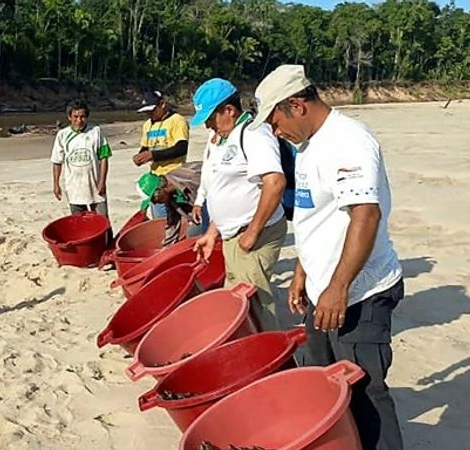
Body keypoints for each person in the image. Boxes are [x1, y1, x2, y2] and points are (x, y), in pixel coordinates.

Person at [252, 65, 404, 449]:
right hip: (323, 293)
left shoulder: (347, 141)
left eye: (275, 120)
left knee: (365, 391)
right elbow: (313, 216)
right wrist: (303, 273)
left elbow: (365, 215)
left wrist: (338, 287)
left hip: (360, 295)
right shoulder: (306, 147)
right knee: (323, 381)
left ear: (296, 105)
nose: (274, 131)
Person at [190, 78, 288, 332]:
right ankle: (245, 343)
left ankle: (271, 355)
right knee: (236, 295)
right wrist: (213, 231)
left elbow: (275, 183)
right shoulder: (223, 138)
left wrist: (253, 232)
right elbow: (224, 188)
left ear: (230, 111)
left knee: (255, 302)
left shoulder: (254, 134)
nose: (209, 125)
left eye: (211, 118)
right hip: (233, 234)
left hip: (255, 234)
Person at [133, 90, 190, 218]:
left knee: (174, 217)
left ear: (162, 104)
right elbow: (146, 147)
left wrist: (153, 155)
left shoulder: (177, 120)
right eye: (146, 112)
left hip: (174, 177)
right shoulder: (148, 125)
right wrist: (140, 156)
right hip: (155, 178)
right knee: (160, 217)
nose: (149, 114)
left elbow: (181, 148)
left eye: (152, 110)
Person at [51, 100, 112, 218]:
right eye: (75, 117)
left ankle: (107, 238)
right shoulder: (62, 135)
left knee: (102, 220)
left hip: (95, 186)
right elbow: (57, 161)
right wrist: (56, 184)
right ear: (69, 117)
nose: (79, 120)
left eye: (82, 117)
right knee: (79, 221)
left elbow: (104, 157)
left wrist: (102, 182)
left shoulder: (96, 131)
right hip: (74, 186)